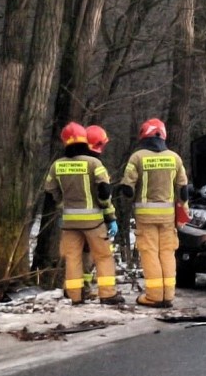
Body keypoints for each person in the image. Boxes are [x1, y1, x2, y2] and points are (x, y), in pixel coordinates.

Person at [43, 122, 123, 305]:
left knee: (73, 258)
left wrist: (62, 204)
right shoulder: (94, 163)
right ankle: (108, 294)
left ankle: (75, 295)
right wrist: (110, 217)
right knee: (103, 256)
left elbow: (50, 190)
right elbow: (104, 192)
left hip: (69, 222)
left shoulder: (57, 165)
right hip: (93, 222)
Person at [119, 118, 189, 308]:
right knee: (167, 253)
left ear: (144, 134)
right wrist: (183, 214)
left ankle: (154, 296)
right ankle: (168, 295)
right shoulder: (174, 158)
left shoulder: (137, 157)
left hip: (145, 216)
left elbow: (127, 188)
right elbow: (183, 191)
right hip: (168, 217)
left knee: (150, 253)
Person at [80, 125, 116, 294]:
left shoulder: (69, 163)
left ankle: (76, 288)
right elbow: (104, 197)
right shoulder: (96, 166)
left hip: (71, 218)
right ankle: (95, 290)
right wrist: (110, 218)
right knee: (96, 253)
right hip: (93, 219)